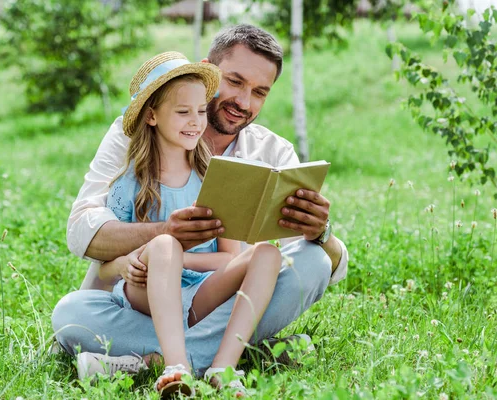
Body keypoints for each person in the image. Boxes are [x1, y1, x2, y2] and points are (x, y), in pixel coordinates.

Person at [52, 23, 349, 380]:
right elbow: (82, 231)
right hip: (137, 303)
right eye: (235, 82)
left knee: (314, 261)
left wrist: (321, 231)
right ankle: (243, 354)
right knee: (70, 314)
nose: (244, 102)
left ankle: (155, 363)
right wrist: (164, 236)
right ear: (209, 70)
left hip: (216, 297)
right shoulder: (134, 137)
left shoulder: (271, 153)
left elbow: (313, 266)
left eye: (260, 92)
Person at [100, 51, 282, 397]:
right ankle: (176, 366)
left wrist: (173, 259)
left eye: (201, 111)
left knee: (268, 254)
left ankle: (223, 369)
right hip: (144, 295)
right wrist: (135, 261)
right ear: (151, 116)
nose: (196, 122)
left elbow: (230, 258)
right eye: (183, 112)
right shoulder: (130, 183)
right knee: (165, 242)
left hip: (200, 293)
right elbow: (106, 269)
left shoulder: (212, 179)